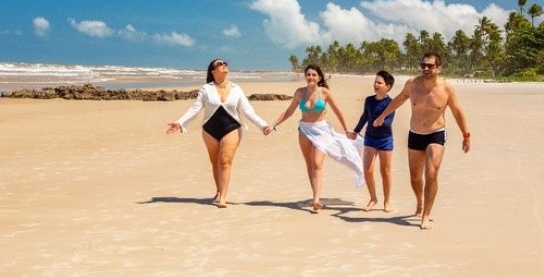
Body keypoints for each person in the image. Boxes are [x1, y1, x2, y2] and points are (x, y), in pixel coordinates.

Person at [373, 53, 470, 230]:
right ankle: (420, 201)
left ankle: (426, 215)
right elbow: (400, 99)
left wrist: (466, 135)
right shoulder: (412, 84)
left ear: (438, 68)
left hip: (436, 133)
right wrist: (382, 116)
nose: (426, 68)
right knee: (415, 177)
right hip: (415, 133)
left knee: (431, 173)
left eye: (430, 66)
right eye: (423, 65)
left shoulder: (446, 88)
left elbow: (457, 111)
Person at [166, 58, 270, 208]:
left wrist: (263, 125)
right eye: (219, 64)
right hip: (210, 130)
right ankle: (218, 190)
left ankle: (223, 197)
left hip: (231, 128)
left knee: (225, 161)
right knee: (215, 163)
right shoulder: (206, 89)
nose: (224, 65)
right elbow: (195, 108)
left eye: (225, 63)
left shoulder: (236, 88)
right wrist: (180, 122)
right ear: (213, 71)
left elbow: (247, 110)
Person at [265, 64, 363, 211]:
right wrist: (273, 125)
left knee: (317, 163)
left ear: (319, 77)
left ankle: (316, 199)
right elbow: (289, 111)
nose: (310, 77)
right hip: (304, 130)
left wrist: (347, 129)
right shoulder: (299, 92)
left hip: (321, 131)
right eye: (308, 74)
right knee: (309, 164)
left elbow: (338, 111)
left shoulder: (324, 92)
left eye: (313, 75)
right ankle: (315, 197)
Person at [347, 71, 396, 213]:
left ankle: (387, 201)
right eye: (375, 82)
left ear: (388, 86)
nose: (376, 84)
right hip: (369, 138)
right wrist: (356, 131)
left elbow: (389, 120)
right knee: (368, 170)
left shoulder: (390, 103)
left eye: (379, 83)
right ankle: (373, 198)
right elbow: (364, 117)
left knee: (385, 171)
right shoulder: (369, 100)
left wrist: (380, 122)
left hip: (385, 140)